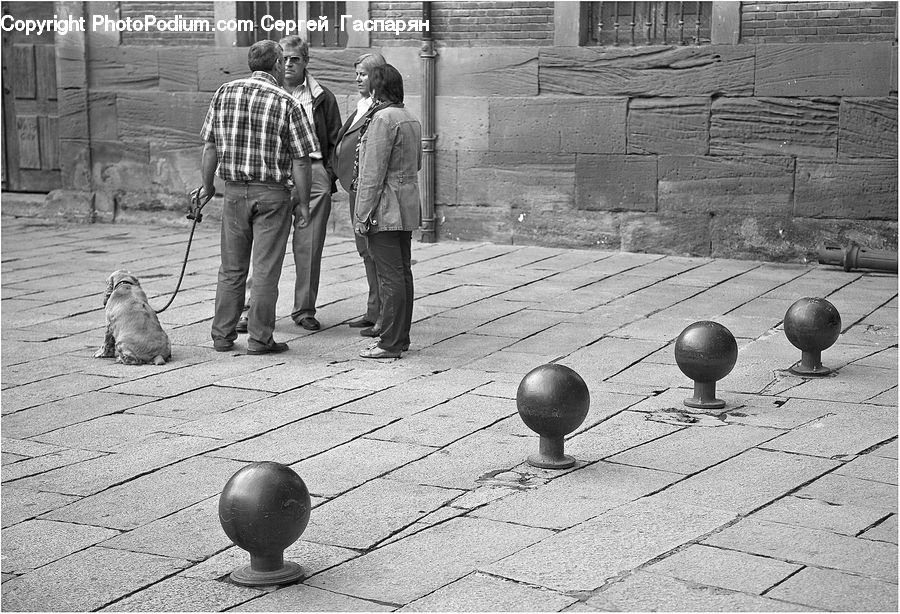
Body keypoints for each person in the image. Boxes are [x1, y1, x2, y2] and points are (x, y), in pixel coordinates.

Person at [199, 39, 317, 355]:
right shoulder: (288, 102)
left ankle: (222, 335)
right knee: (265, 270)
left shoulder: (224, 92)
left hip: (234, 193)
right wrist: (304, 204)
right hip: (273, 195)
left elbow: (210, 146)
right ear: (277, 64)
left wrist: (208, 186)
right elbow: (302, 160)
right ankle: (260, 338)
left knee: (231, 268)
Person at [236, 36, 342, 334]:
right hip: (275, 176)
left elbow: (335, 140)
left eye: (296, 58)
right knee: (265, 246)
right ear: (276, 62)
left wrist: (328, 175)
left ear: (306, 61)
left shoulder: (323, 96)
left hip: (315, 171)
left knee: (309, 247)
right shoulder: (266, 92)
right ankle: (249, 310)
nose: (290, 63)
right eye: (285, 58)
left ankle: (304, 309)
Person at [353, 64, 422, 359]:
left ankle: (389, 343)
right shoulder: (409, 117)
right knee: (402, 273)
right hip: (405, 204)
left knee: (390, 276)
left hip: (385, 206)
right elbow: (416, 164)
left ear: (378, 88)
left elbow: (372, 173)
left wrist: (362, 214)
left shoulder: (382, 119)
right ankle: (400, 337)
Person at [331, 52, 387, 333]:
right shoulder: (363, 105)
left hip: (370, 191)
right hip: (355, 187)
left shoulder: (382, 110)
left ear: (377, 76)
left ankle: (383, 315)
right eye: (356, 74)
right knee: (365, 251)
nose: (357, 78)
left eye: (363, 74)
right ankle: (373, 309)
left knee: (377, 252)